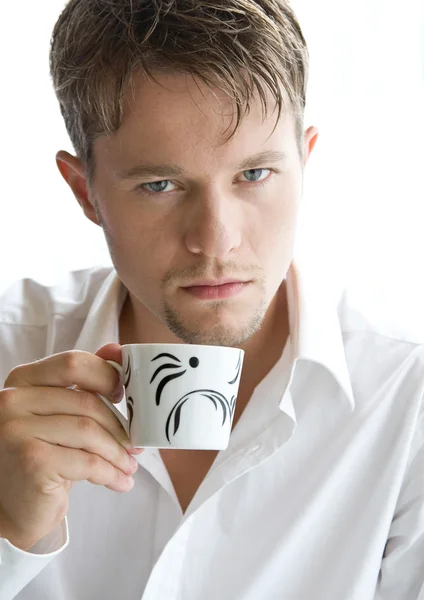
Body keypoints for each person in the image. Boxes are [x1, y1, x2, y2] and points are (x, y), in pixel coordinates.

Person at [0, 0, 422, 598]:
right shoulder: (6, 353)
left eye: (254, 175)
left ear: (304, 162)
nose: (215, 241)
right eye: (160, 185)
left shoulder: (406, 395)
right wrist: (7, 533)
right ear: (84, 191)